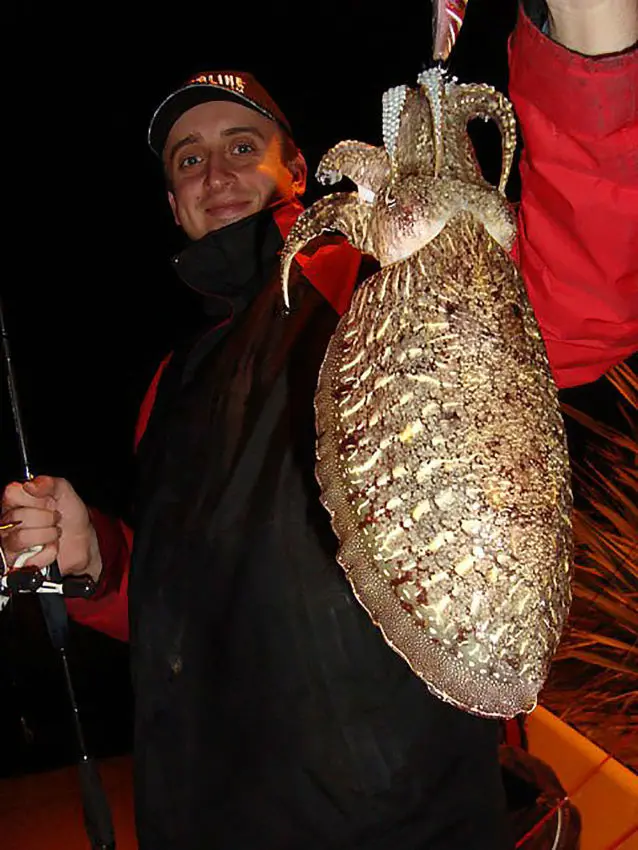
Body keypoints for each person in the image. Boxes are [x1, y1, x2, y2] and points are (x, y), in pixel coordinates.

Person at [2, 1, 636, 847]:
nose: (214, 172)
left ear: (298, 167)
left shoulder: (374, 273)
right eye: (189, 159)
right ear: (172, 199)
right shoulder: (169, 382)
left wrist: (588, 42)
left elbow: (580, 295)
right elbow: (180, 608)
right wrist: (97, 565)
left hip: (393, 819)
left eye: (240, 147)